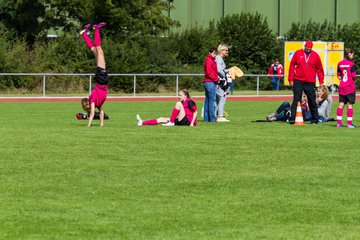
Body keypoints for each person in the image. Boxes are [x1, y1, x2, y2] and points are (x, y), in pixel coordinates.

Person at [79, 22, 108, 127]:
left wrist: (88, 125)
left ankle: (96, 30)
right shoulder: (97, 103)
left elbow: (92, 114)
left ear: (88, 105)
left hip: (101, 79)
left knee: (99, 50)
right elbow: (101, 112)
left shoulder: (92, 101)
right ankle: (83, 34)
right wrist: (101, 125)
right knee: (95, 50)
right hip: (101, 79)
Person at [288, 40, 324, 124]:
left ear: (311, 48)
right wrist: (290, 79)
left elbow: (319, 69)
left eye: (309, 49)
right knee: (296, 99)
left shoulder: (315, 55)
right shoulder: (298, 53)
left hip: (310, 81)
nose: (308, 50)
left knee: (312, 100)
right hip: (298, 80)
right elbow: (292, 66)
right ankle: (293, 118)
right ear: (304, 47)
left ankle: (315, 119)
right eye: (306, 49)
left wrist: (321, 81)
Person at [336, 47, 357, 128]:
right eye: (352, 54)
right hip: (349, 87)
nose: (352, 56)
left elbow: (339, 75)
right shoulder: (352, 64)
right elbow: (354, 76)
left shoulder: (340, 63)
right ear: (351, 53)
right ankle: (349, 124)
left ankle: (339, 123)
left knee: (341, 104)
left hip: (342, 86)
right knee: (350, 105)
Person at [215, 43, 230, 122]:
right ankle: (220, 116)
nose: (227, 52)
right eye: (226, 50)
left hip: (220, 81)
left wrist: (228, 70)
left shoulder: (219, 58)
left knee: (219, 98)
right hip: (220, 82)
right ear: (221, 50)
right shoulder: (219, 58)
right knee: (221, 98)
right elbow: (219, 70)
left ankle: (217, 115)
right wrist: (226, 75)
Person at [203, 47, 218, 122]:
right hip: (210, 82)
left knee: (207, 101)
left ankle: (206, 119)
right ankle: (212, 119)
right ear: (210, 52)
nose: (215, 55)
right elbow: (209, 72)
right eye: (214, 53)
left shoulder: (210, 60)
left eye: (216, 54)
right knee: (211, 101)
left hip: (208, 82)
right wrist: (216, 79)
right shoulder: (209, 60)